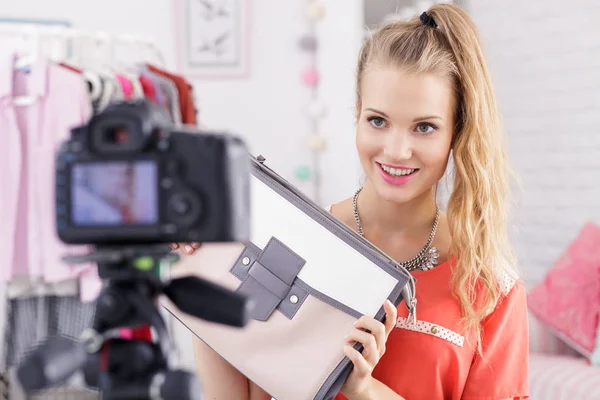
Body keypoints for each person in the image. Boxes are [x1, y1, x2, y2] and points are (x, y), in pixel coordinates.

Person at [173, 3, 529, 399]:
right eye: (378, 120)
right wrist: (204, 277)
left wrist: (364, 390)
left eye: (425, 127)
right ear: (357, 115)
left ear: (457, 133)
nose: (396, 150)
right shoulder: (297, 240)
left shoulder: (490, 289)